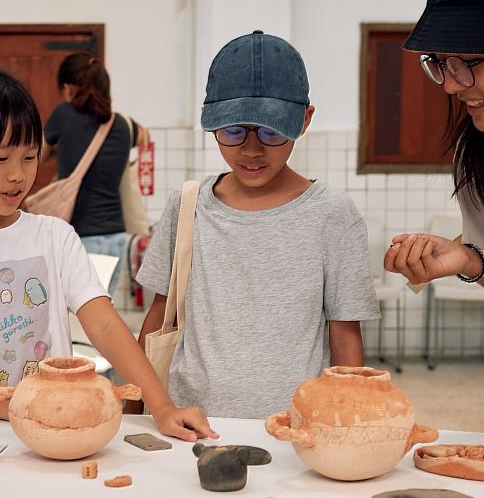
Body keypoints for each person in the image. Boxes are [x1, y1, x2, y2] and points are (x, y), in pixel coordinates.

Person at [0, 68, 218, 442]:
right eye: (0, 159)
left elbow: (104, 325)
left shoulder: (54, 236)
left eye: (30, 157)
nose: (18, 176)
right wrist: (6, 405)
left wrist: (162, 405)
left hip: (50, 434)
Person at [130, 31, 380, 419]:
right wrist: (133, 409)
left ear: (304, 119)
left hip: (297, 430)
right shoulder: (189, 205)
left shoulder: (332, 214)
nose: (251, 149)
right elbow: (161, 317)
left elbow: (345, 336)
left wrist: (349, 423)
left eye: (271, 131)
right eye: (232, 131)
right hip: (190, 421)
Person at [384, 0, 484, 300]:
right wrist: (468, 258)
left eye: (465, 63)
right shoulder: (480, 152)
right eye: (442, 64)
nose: (450, 86)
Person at [43, 52, 149, 295]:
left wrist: (60, 148)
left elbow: (35, 157)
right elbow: (144, 136)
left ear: (69, 88)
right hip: (116, 237)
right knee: (100, 317)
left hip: (80, 238)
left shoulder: (63, 115)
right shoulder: (123, 124)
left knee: (74, 324)